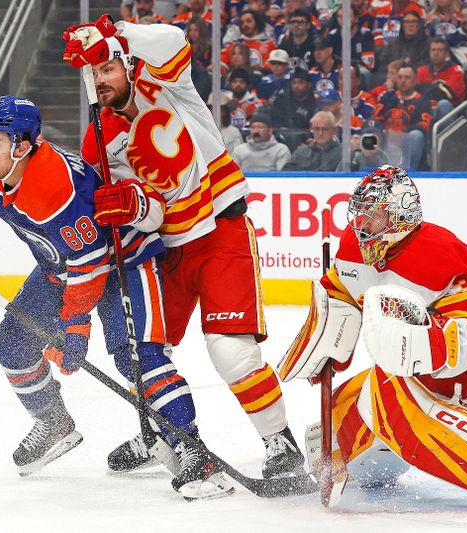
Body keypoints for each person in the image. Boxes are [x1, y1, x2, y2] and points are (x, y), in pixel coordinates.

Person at [0, 96, 233, 499]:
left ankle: (192, 451)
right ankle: (53, 423)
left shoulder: (56, 187)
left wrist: (73, 330)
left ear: (22, 146)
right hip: (63, 267)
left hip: (123, 262)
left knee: (138, 359)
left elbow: (90, 267)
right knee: (11, 346)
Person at [62, 15, 305, 480]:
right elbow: (147, 213)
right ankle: (161, 431)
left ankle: (281, 443)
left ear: (129, 66)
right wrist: (130, 206)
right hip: (166, 251)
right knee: (143, 351)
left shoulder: (168, 85)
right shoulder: (100, 138)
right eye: (94, 74)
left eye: (108, 68)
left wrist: (116, 35)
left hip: (220, 236)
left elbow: (173, 39)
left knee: (231, 352)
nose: (101, 78)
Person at [277, 165, 467, 516]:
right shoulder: (351, 249)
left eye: (372, 216)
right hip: (421, 352)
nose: (361, 225)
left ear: (401, 215)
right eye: (359, 215)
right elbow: (339, 295)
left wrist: (421, 345)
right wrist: (323, 343)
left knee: (391, 398)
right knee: (348, 405)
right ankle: (362, 467)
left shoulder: (438, 252)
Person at [374, 62, 432, 170]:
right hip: (386, 143)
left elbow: (423, 126)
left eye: (407, 77)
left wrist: (401, 133)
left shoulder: (423, 102)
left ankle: (409, 172)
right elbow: (376, 119)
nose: (403, 81)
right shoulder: (387, 97)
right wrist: (383, 131)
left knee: (416, 135)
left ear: (415, 80)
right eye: (400, 77)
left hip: (407, 145)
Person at [416, 37, 466, 119]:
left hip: (451, 113)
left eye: (439, 50)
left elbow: (446, 94)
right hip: (426, 110)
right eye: (433, 50)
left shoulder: (456, 70)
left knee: (443, 104)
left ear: (446, 54)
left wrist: (425, 89)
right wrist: (437, 86)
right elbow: (415, 92)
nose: (435, 53)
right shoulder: (422, 71)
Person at [269, 67, 317, 151]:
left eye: (300, 83)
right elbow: (272, 118)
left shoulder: (314, 103)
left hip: (303, 143)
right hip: (279, 139)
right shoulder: (282, 99)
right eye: (294, 83)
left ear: (308, 85)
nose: (296, 86)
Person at [374, 9, 428, 75]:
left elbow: (427, 66)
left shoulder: (428, 43)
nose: (410, 25)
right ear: (402, 25)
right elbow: (382, 65)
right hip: (394, 78)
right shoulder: (393, 43)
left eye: (414, 22)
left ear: (419, 25)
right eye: (407, 22)